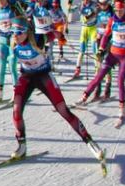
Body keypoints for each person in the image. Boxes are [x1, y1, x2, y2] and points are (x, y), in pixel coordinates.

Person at [6, 19, 104, 163]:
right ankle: (22, 146)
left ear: (27, 32)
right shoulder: (13, 42)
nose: (16, 36)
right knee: (16, 111)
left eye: (19, 33)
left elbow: (56, 33)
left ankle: (90, 142)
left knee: (63, 110)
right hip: (26, 77)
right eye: (13, 33)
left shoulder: (39, 39)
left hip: (44, 76)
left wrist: (61, 37)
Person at [80, 0, 125, 123]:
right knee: (99, 71)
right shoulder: (101, 13)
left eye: (121, 10)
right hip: (104, 42)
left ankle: (114, 99)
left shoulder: (122, 18)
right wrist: (101, 48)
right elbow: (89, 18)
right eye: (101, 4)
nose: (103, 6)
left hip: (119, 50)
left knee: (118, 79)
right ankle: (86, 96)